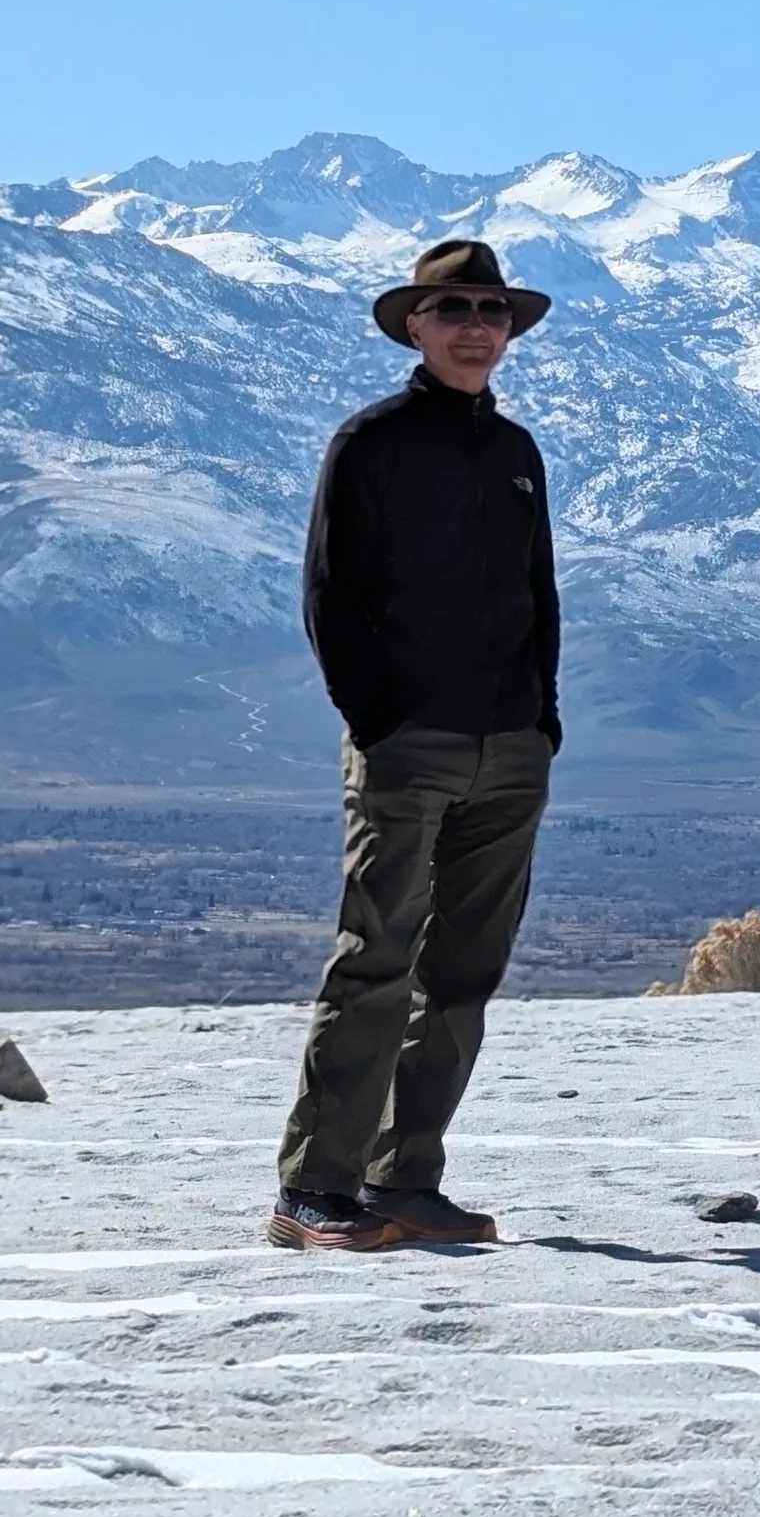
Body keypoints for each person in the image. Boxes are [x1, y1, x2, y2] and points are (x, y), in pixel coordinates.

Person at [268, 239, 562, 1250]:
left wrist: (543, 721)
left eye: (494, 311)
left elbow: (539, 597)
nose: (478, 327)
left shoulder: (515, 453)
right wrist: (376, 721)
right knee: (375, 959)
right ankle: (314, 1187)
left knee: (463, 974)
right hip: (407, 746)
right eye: (456, 310)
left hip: (510, 748)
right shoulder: (371, 444)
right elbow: (329, 596)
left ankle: (405, 1179)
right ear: (417, 327)